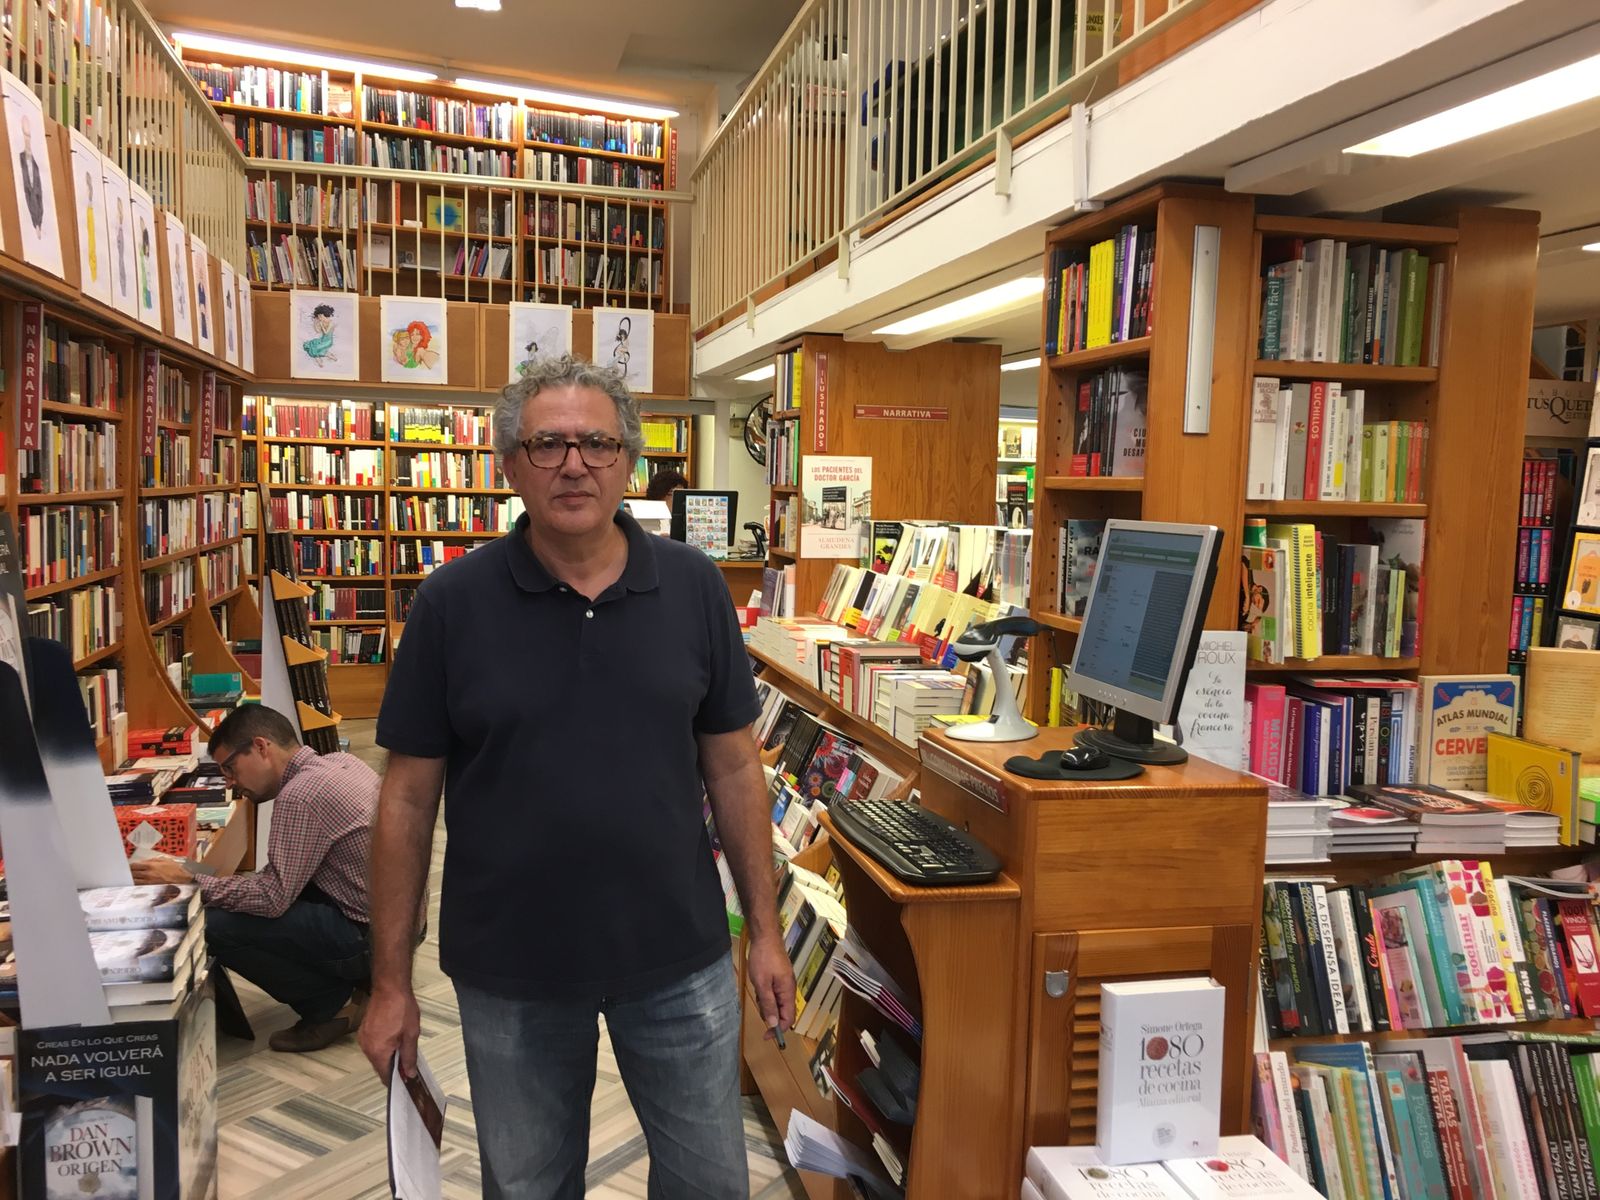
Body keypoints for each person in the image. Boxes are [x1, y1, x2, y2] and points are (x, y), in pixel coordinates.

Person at [364, 354, 794, 1199]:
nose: (574, 463)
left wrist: (769, 932)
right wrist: (388, 985)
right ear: (509, 464)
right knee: (526, 1188)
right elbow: (406, 801)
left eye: (597, 443)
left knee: (712, 1184)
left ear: (629, 461)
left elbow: (737, 765)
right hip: (511, 970)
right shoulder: (451, 603)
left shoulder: (696, 587)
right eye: (548, 444)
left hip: (680, 957)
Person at [131, 705, 378, 1053]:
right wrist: (190, 870)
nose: (230, 782)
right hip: (389, 925)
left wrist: (188, 881)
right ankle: (358, 983)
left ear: (261, 747)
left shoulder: (301, 795)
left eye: (230, 767)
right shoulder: (340, 763)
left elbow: (271, 897)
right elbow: (276, 880)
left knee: (210, 923)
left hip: (369, 939)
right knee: (237, 895)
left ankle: (331, 1007)